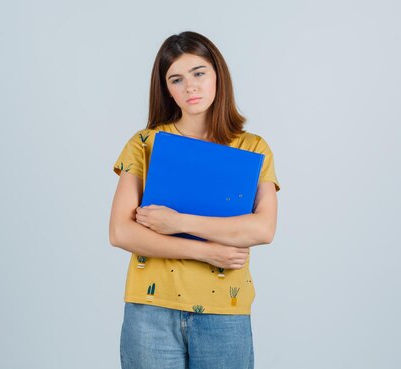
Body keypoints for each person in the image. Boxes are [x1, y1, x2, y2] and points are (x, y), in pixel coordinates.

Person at [109, 31, 280, 369]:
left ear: (218, 74)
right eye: (176, 79)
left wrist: (177, 223)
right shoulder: (145, 143)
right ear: (166, 88)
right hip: (150, 311)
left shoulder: (252, 148)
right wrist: (207, 251)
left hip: (224, 315)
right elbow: (121, 232)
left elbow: (262, 229)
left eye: (199, 73)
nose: (190, 87)